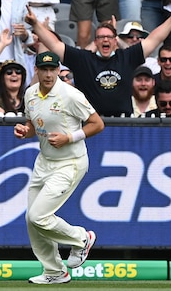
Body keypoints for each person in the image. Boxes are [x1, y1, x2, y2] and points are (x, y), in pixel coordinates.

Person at [14, 51, 103, 285]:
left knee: (38, 216)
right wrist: (25, 131)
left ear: (58, 70)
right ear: (36, 70)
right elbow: (34, 124)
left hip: (70, 162)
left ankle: (82, 239)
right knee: (31, 221)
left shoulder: (70, 95)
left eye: (52, 69)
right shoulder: (30, 93)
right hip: (44, 162)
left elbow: (97, 124)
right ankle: (54, 272)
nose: (48, 74)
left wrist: (69, 137)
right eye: (43, 69)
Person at [26, 2, 171, 117]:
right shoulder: (83, 59)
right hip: (91, 123)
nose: (105, 40)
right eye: (101, 37)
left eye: (109, 37)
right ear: (96, 41)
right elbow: (55, 44)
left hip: (122, 123)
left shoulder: (127, 57)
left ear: (115, 40)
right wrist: (36, 25)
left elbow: (154, 39)